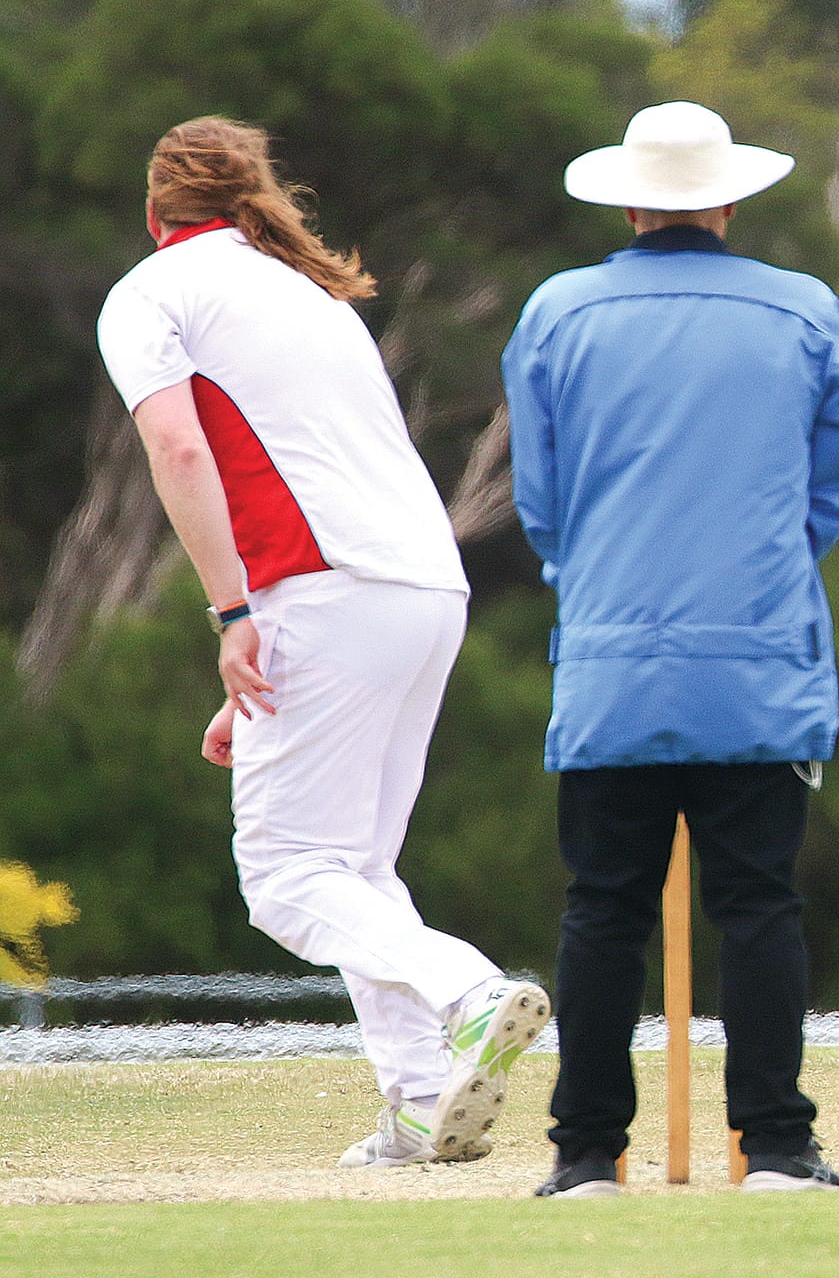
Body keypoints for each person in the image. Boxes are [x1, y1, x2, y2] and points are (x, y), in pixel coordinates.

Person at [96, 116, 549, 1169]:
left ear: (154, 209)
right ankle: (420, 1103)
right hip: (421, 587)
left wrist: (235, 615)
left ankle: (468, 993)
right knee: (353, 869)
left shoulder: (154, 293)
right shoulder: (303, 287)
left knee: (289, 877)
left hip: (321, 592)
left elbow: (176, 445)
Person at [506, 101, 839, 1196]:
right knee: (758, 904)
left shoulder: (558, 312)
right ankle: (772, 1146)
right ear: (727, 197)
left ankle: (583, 1157)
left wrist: (608, 575)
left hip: (612, 660)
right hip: (757, 658)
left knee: (600, 909)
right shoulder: (800, 309)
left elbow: (541, 502)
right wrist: (758, 562)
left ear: (627, 196)